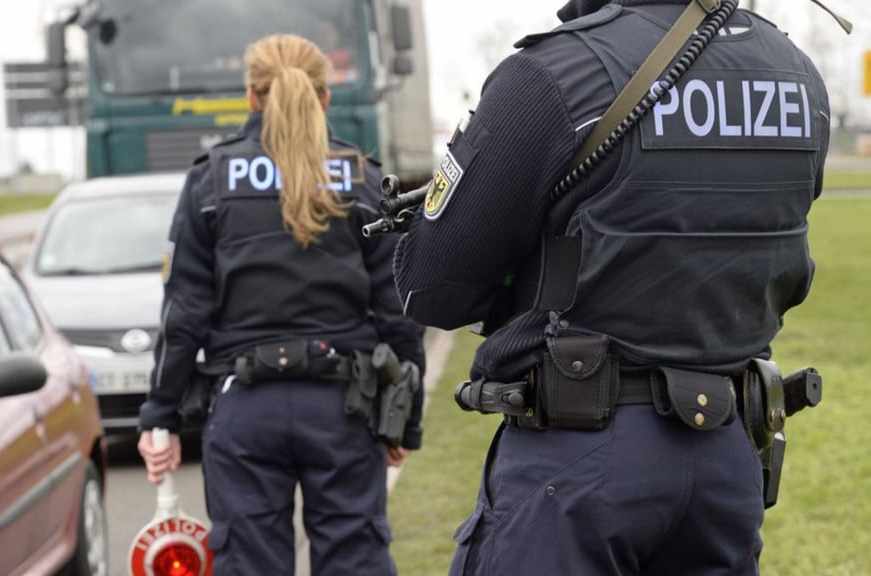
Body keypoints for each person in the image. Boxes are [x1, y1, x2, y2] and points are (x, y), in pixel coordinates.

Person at [392, 1, 831, 574]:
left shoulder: (556, 73)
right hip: (726, 461)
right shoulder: (799, 76)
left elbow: (430, 286)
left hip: (577, 466)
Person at [138, 33, 425, 575]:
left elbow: (185, 313)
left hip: (244, 411)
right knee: (356, 561)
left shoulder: (210, 181)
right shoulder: (363, 180)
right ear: (325, 97)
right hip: (346, 408)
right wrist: (405, 422)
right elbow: (399, 313)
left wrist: (161, 414)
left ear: (252, 96)